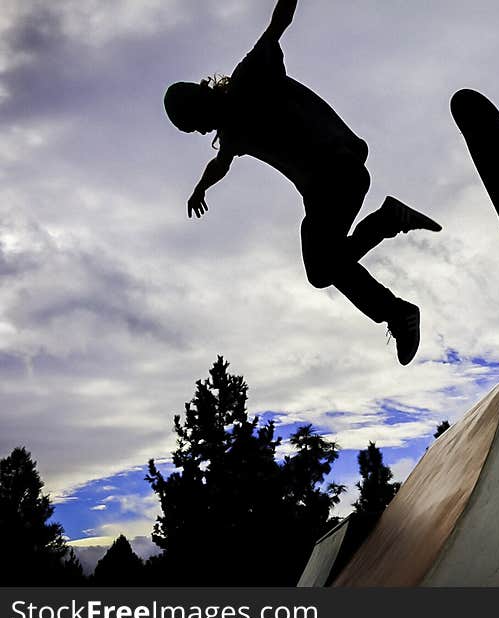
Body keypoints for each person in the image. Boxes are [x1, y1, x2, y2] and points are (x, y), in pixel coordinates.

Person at [163, 0, 440, 365]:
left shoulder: (250, 76)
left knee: (324, 266)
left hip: (338, 169)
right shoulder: (232, 134)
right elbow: (220, 163)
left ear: (199, 100)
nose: (200, 131)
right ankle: (392, 247)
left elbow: (279, 22)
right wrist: (201, 187)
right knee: (322, 270)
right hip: (323, 191)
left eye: (193, 123)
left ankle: (396, 284)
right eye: (191, 131)